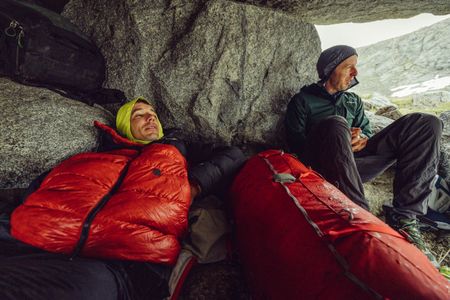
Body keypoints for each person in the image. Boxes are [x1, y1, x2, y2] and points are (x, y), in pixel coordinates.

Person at [1, 97, 245, 299]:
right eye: (139, 114)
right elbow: (41, 188)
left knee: (86, 288)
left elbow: (234, 155)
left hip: (116, 263)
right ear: (123, 125)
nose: (150, 118)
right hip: (33, 236)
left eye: (154, 114)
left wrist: (192, 185)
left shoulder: (174, 155)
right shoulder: (98, 157)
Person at [285, 45, 443, 267]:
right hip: (323, 167)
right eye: (349, 67)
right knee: (336, 124)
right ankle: (363, 218)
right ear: (330, 69)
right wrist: (335, 136)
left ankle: (405, 218)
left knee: (427, 123)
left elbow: (366, 130)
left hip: (357, 164)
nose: (355, 73)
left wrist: (362, 139)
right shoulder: (302, 100)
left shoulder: (353, 101)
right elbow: (296, 145)